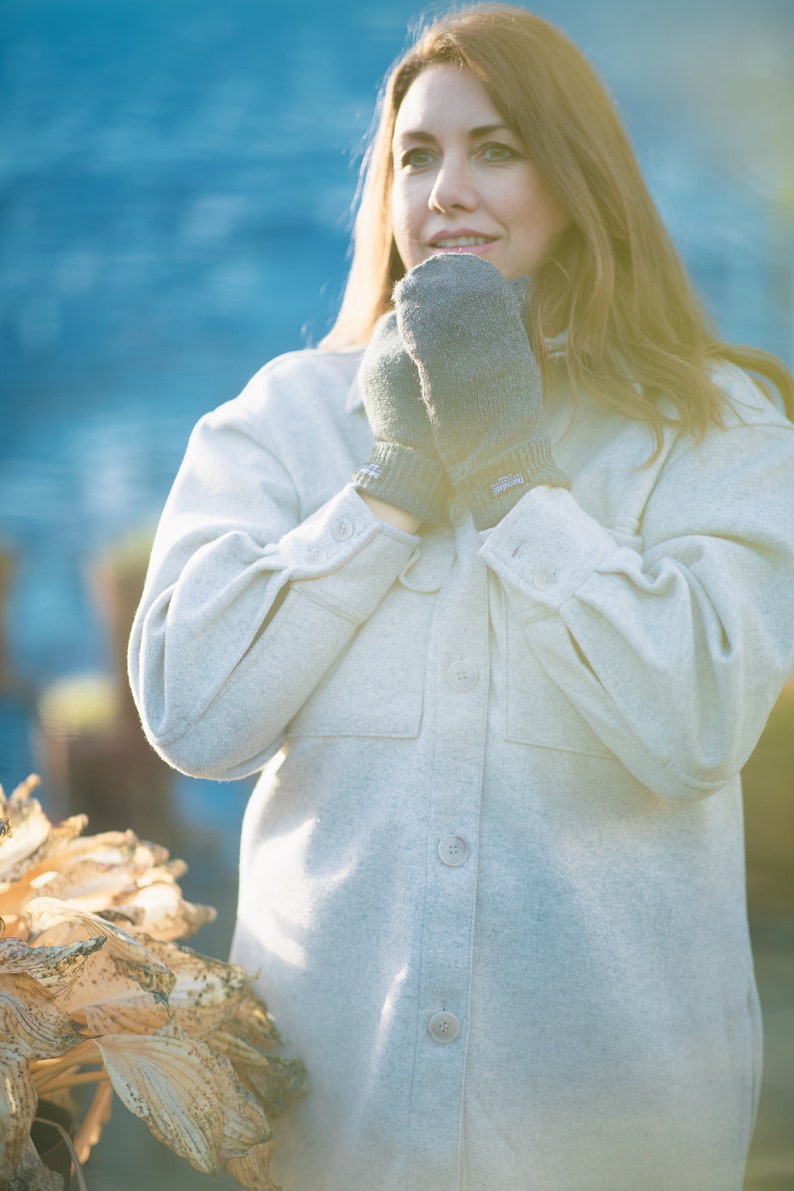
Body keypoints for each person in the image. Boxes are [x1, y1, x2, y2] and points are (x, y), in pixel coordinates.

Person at [128, 6, 794, 1189]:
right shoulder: (283, 418)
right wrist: (384, 494)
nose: (446, 190)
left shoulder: (714, 427)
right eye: (416, 157)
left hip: (608, 1139)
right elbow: (192, 717)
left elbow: (695, 725)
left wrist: (507, 479)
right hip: (334, 1132)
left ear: (579, 175)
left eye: (496, 149)